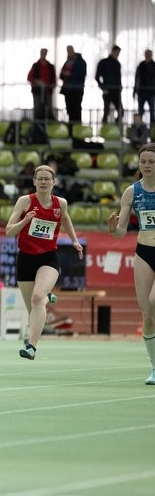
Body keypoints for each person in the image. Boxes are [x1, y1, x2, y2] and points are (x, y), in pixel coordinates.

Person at [5, 164, 82, 360]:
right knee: (34, 309)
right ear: (34, 182)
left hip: (48, 258)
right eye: (40, 178)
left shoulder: (60, 203)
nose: (43, 182)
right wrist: (25, 221)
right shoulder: (24, 201)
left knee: (38, 297)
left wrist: (74, 241)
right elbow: (9, 230)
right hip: (25, 258)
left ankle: (31, 346)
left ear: (54, 182)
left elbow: (65, 219)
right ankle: (48, 298)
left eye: (47, 178)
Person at [108, 144, 155, 385]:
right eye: (143, 161)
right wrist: (113, 227)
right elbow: (120, 232)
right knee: (147, 315)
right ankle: (154, 367)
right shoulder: (131, 192)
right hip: (144, 251)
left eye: (151, 161)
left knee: (154, 301)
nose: (147, 165)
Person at [59, 45, 87, 126]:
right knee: (69, 110)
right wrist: (64, 74)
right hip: (67, 90)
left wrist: (70, 74)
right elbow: (61, 75)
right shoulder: (67, 62)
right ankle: (71, 129)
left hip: (77, 90)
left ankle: (77, 129)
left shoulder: (81, 62)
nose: (69, 52)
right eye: (67, 51)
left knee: (76, 110)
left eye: (70, 50)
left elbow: (82, 74)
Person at [96, 45, 123, 125]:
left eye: (119, 53)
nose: (117, 55)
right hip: (107, 91)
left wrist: (120, 86)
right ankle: (104, 129)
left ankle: (116, 127)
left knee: (121, 111)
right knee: (106, 112)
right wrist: (103, 88)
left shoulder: (118, 64)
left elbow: (118, 78)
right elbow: (97, 77)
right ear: (112, 51)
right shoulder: (103, 62)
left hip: (116, 92)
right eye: (117, 53)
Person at [27, 48, 56, 121]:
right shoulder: (35, 65)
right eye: (42, 53)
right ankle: (37, 127)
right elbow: (29, 77)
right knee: (37, 109)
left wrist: (51, 85)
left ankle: (49, 125)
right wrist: (37, 81)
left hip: (48, 91)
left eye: (45, 53)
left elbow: (54, 80)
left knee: (48, 109)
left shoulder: (51, 66)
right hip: (37, 92)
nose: (43, 54)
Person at [134, 49, 155, 125]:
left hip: (151, 92)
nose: (148, 56)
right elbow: (137, 79)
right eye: (147, 55)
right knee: (140, 111)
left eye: (149, 55)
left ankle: (152, 129)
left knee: (152, 111)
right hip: (141, 91)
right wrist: (135, 91)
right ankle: (140, 128)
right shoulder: (141, 65)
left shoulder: (153, 65)